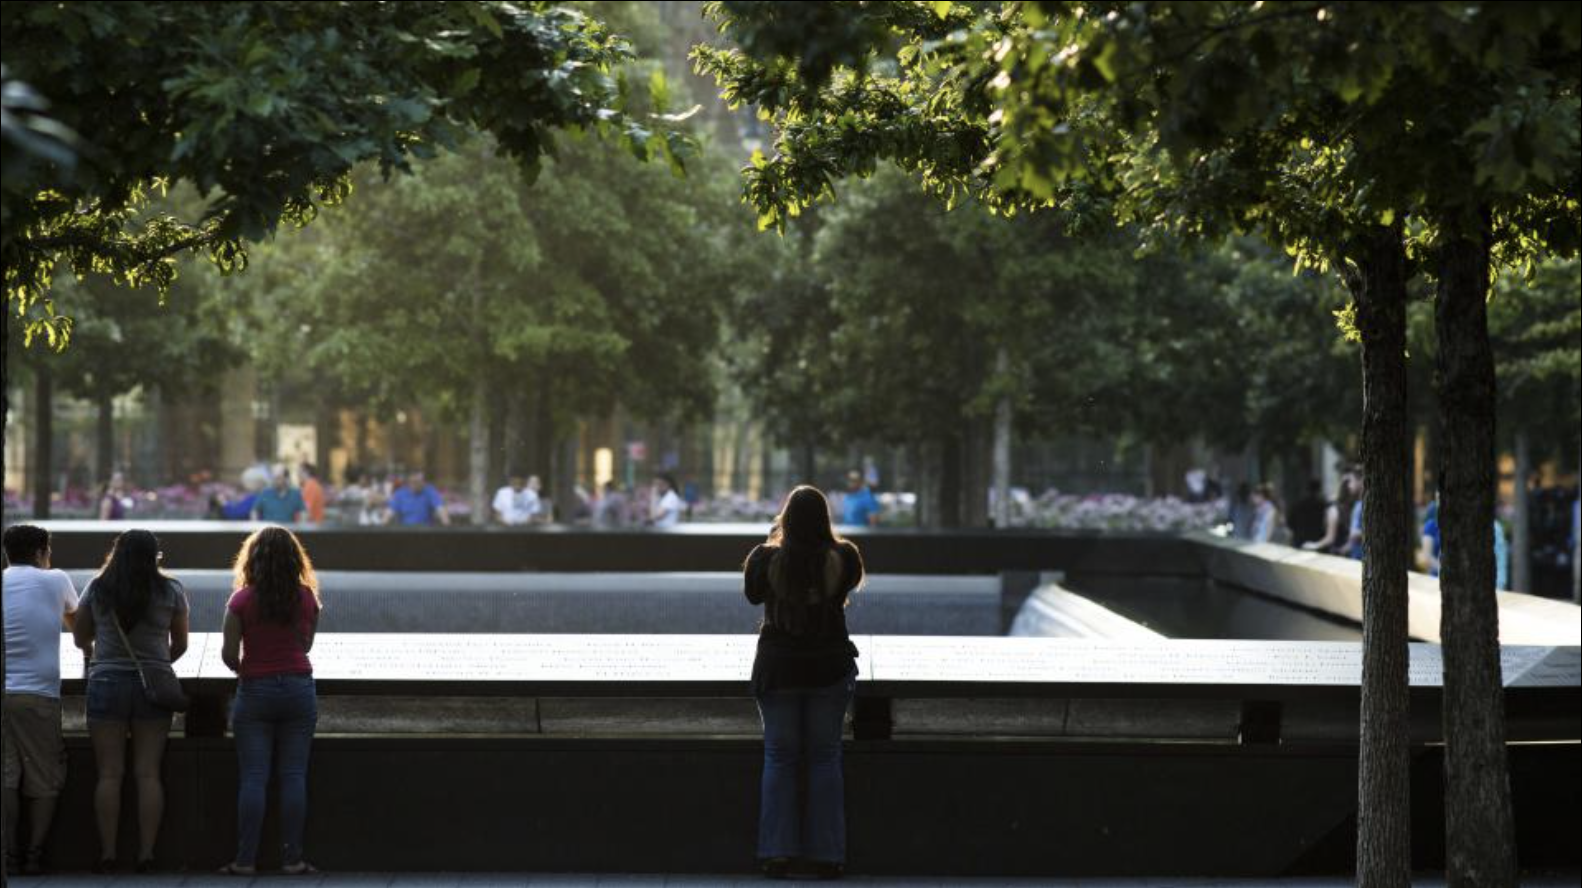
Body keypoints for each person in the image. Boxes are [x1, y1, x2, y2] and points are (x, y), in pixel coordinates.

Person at [742, 486, 864, 879]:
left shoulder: (764, 560)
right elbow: (842, 587)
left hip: (778, 670)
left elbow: (752, 594)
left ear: (786, 519)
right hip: (829, 668)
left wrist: (775, 543)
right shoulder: (844, 558)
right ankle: (828, 855)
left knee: (780, 757)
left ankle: (777, 853)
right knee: (825, 757)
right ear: (825, 519)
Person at [72, 529, 190, 874]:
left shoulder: (98, 587)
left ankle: (108, 854)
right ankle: (147, 855)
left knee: (109, 773)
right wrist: (155, 663)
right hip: (151, 686)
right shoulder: (171, 589)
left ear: (117, 552)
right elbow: (181, 644)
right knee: (148, 773)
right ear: (156, 555)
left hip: (106, 681)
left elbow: (80, 635)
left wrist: (97, 652)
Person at [217, 527, 322, 877]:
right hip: (298, 689)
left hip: (256, 691)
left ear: (253, 558)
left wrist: (250, 666)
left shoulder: (241, 601)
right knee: (294, 775)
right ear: (295, 559)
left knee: (254, 777)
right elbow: (305, 646)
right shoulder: (307, 598)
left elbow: (230, 656)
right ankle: (292, 859)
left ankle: (245, 860)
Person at [2, 525, 79, 876]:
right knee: (44, 778)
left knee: (6, 778)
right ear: (40, 552)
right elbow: (80, 630)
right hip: (38, 694)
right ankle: (33, 856)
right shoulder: (56, 580)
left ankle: (8, 856)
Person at [1302, 472, 1358, 555]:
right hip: (1350, 553)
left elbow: (1330, 538)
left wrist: (1314, 545)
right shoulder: (1354, 507)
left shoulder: (1334, 509)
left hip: (1338, 553)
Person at [1287, 479, 1328, 548]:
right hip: (1317, 541)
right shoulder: (1323, 505)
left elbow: (1290, 523)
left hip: (1300, 540)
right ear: (1319, 489)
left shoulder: (1298, 504)